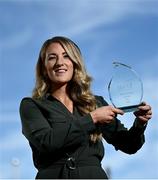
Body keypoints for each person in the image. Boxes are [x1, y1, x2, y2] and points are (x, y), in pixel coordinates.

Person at [19, 36, 152, 179]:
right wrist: (92, 119)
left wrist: (139, 124)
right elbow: (46, 142)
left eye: (66, 56)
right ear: (44, 67)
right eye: (52, 57)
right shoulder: (31, 105)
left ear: (75, 63)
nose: (60, 63)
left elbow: (129, 145)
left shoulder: (96, 103)